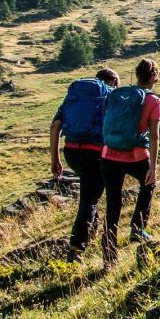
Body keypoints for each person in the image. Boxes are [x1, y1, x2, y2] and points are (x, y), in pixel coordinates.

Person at [50, 67, 119, 263]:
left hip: (72, 151)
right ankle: (75, 248)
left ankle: (91, 229)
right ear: (113, 81)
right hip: (95, 153)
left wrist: (55, 159)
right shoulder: (109, 95)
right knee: (89, 199)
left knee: (90, 191)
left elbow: (55, 126)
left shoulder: (76, 95)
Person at [100, 57, 160, 266]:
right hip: (135, 154)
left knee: (113, 203)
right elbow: (153, 136)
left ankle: (109, 252)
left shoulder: (119, 94)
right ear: (154, 76)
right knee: (149, 183)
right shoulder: (153, 100)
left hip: (109, 155)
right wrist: (153, 166)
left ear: (137, 75)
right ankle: (137, 228)